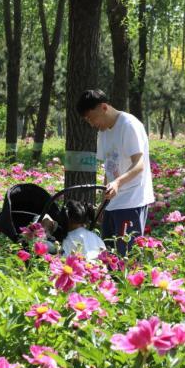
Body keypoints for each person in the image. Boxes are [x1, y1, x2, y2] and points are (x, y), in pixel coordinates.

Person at [76, 89, 155, 256]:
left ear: (104, 107)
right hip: (112, 202)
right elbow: (109, 168)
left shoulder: (129, 125)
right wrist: (103, 202)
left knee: (126, 256)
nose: (92, 124)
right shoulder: (103, 132)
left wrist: (118, 183)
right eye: (87, 120)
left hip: (131, 201)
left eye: (92, 118)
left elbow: (139, 164)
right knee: (108, 255)